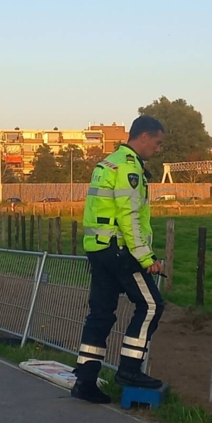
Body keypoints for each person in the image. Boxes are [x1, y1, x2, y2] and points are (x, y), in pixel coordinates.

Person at [71, 115, 166, 404]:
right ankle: (130, 369)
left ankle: (85, 381)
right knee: (151, 304)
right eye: (158, 143)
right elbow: (129, 216)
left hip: (97, 249)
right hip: (119, 250)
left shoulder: (107, 163)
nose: (158, 149)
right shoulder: (129, 168)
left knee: (101, 313)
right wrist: (147, 257)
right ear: (144, 137)